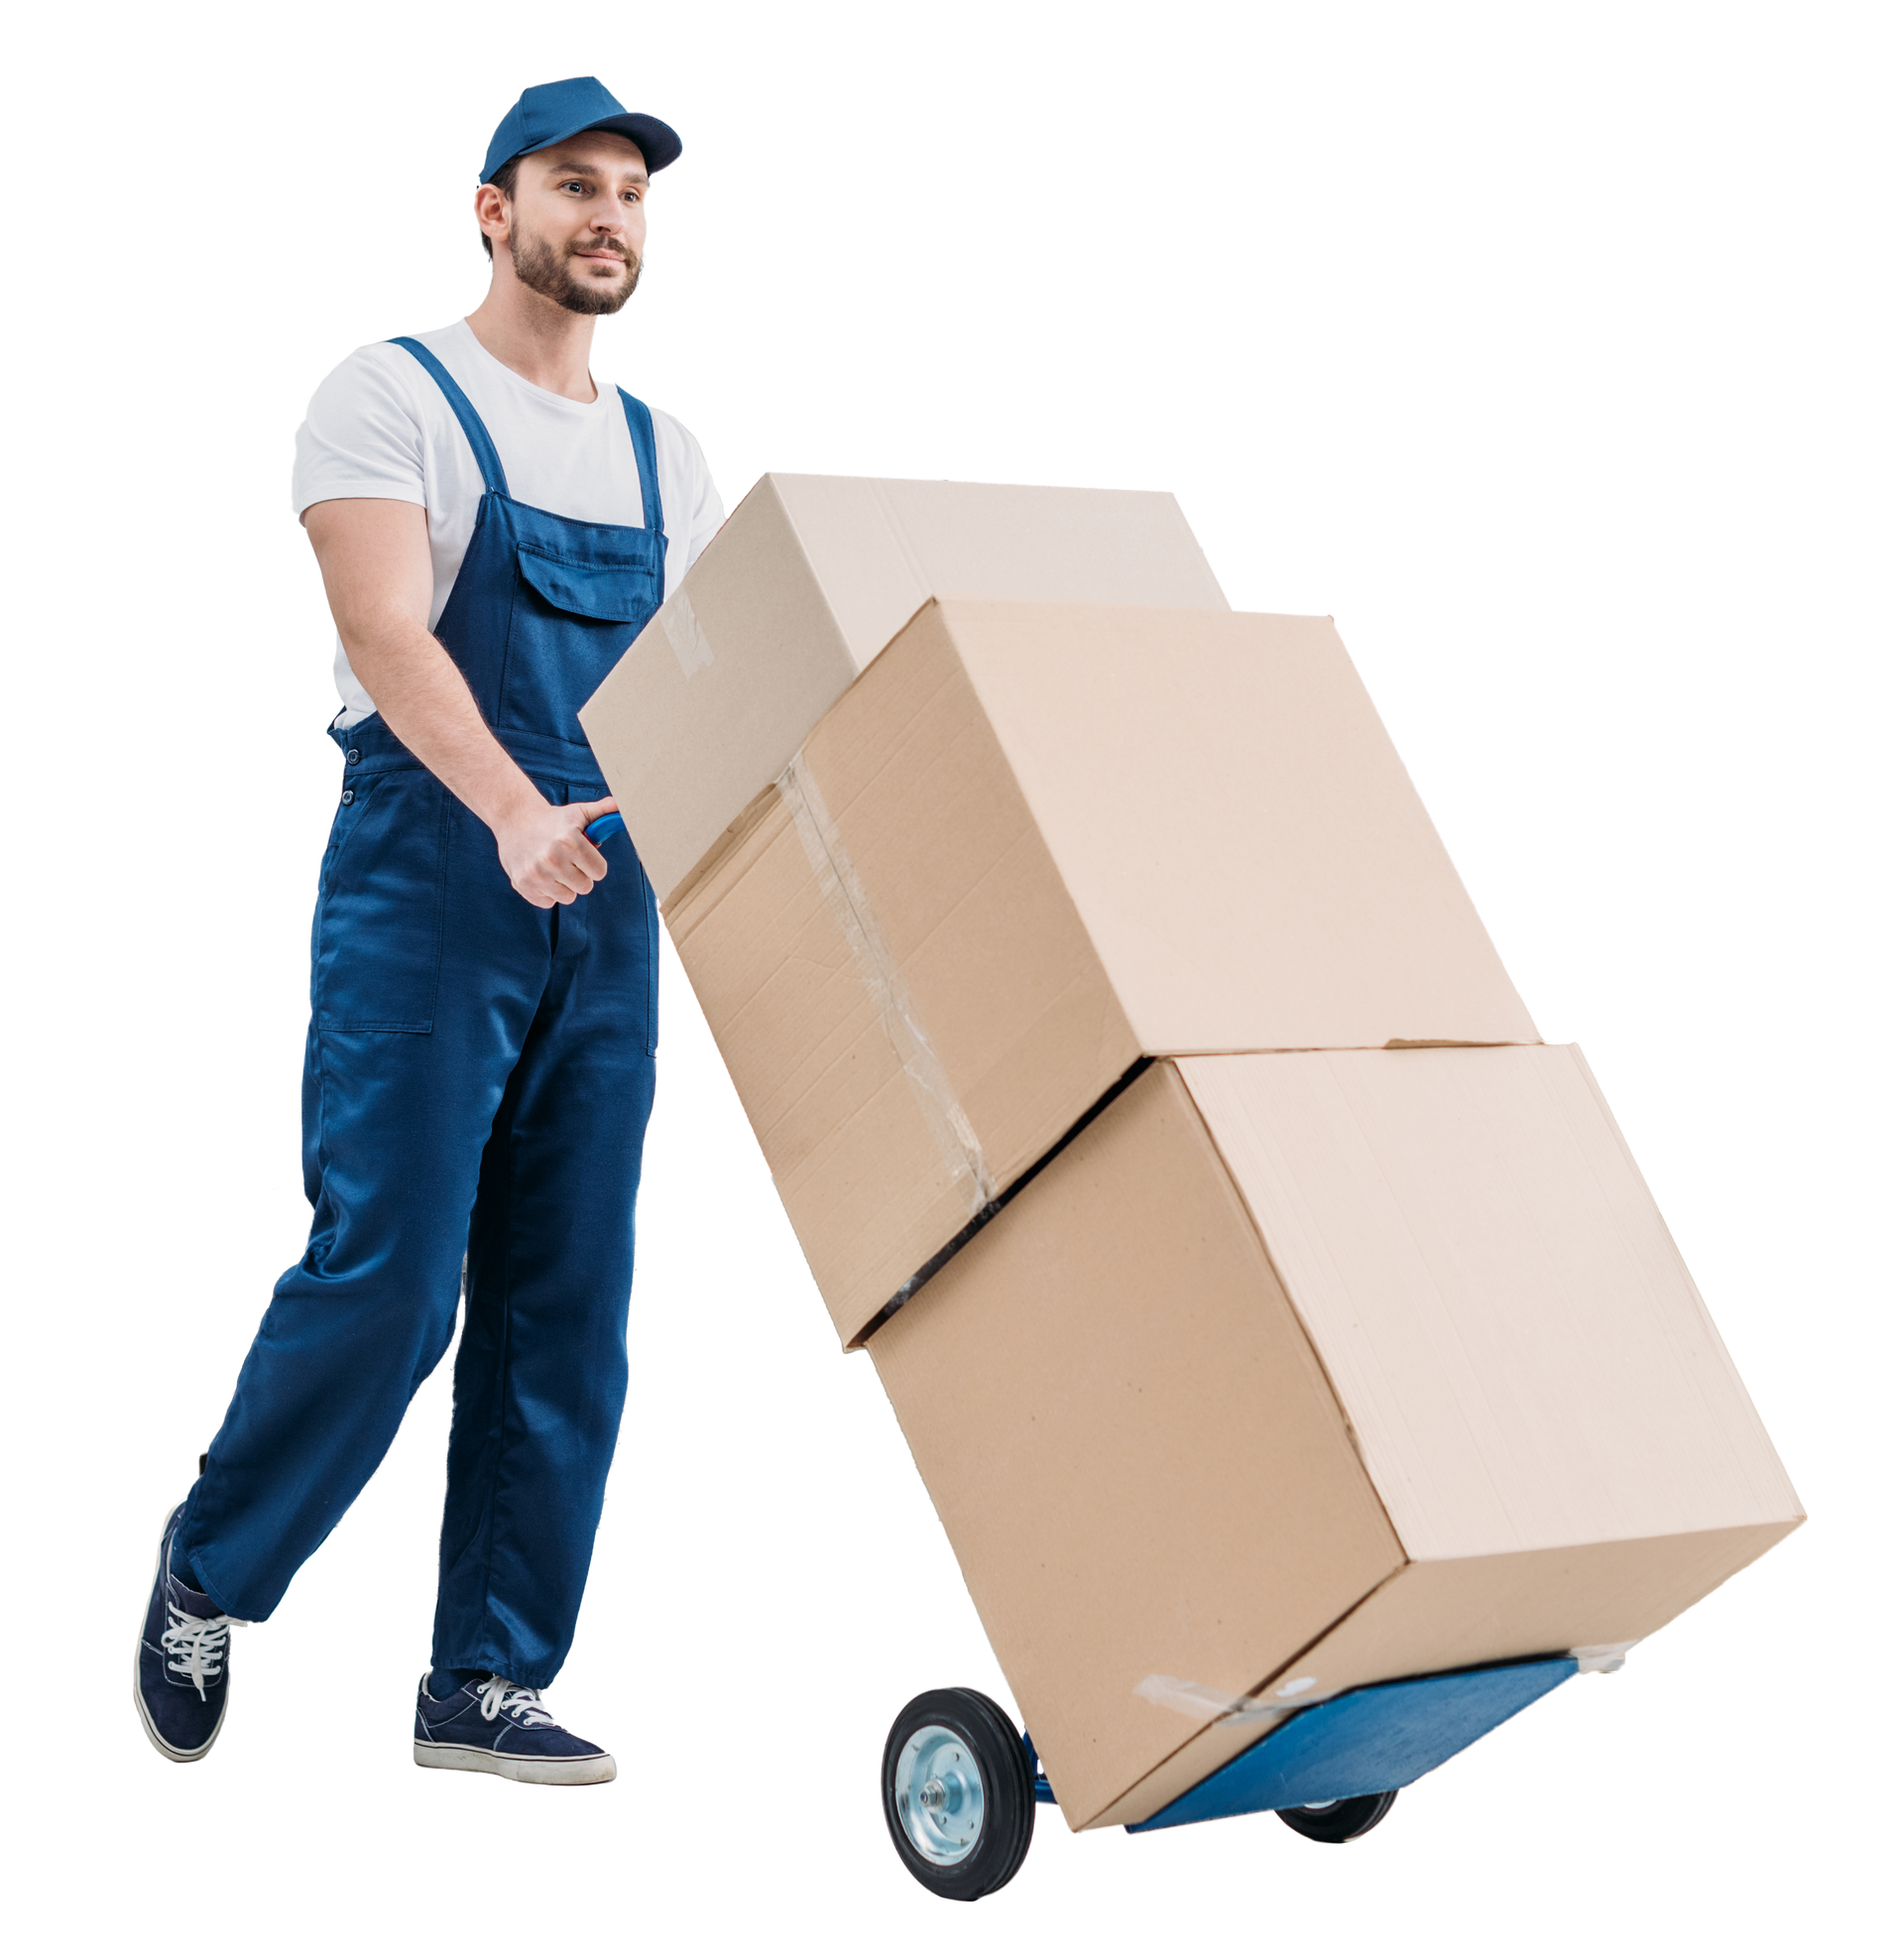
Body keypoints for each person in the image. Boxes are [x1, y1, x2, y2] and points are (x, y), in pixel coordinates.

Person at [130, 73, 726, 1788]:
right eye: (572, 185)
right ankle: (208, 1570)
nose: (609, 216)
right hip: (435, 879)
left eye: (630, 193)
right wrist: (509, 808)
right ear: (493, 208)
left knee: (570, 1298)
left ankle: (485, 1683)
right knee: (393, 1277)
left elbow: (700, 683)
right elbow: (388, 629)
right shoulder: (386, 393)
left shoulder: (665, 451)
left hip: (608, 902)